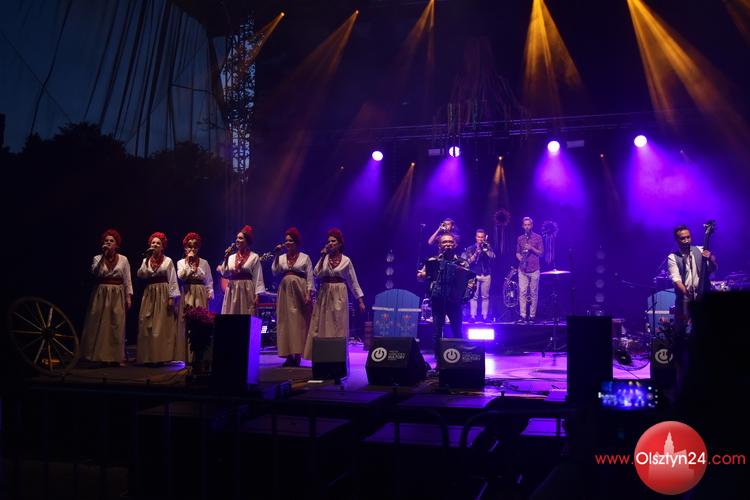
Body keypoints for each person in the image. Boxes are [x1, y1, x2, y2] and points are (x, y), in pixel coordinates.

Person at [303, 228, 365, 360]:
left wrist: (360, 300)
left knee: (338, 324)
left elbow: (353, 281)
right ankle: (322, 356)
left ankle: (336, 356)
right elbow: (316, 273)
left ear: (340, 243)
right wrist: (322, 256)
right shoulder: (324, 258)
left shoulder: (346, 260)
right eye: (329, 241)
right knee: (322, 323)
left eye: (333, 241)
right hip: (324, 293)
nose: (330, 243)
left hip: (339, 293)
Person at [418, 233, 476, 360]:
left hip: (455, 301)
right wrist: (422, 275)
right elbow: (421, 276)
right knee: (437, 331)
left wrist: (468, 290)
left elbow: (470, 279)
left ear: (455, 244)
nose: (448, 244)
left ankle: (458, 357)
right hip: (438, 300)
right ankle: (439, 358)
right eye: (444, 242)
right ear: (439, 245)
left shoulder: (462, 262)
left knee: (457, 330)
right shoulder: (433, 261)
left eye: (450, 242)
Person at [80, 229, 133, 366]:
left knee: (116, 324)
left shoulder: (123, 259)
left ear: (117, 245)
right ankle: (96, 355)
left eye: (111, 241)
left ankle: (114, 357)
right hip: (101, 293)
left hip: (117, 293)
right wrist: (104, 256)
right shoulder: (97, 258)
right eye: (106, 241)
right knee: (98, 322)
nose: (108, 243)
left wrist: (128, 296)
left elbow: (127, 279)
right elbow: (95, 272)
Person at [136, 232, 181, 365]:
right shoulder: (146, 260)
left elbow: (172, 279)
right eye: (153, 243)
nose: (155, 245)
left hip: (163, 293)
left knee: (161, 325)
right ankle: (147, 357)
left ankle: (160, 357)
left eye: (158, 243)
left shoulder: (168, 261)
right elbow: (141, 275)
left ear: (162, 247)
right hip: (150, 293)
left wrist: (172, 297)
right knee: (147, 324)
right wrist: (146, 260)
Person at [272, 227, 314, 367]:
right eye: (286, 240)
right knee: (285, 321)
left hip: (299, 290)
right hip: (285, 291)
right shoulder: (282, 258)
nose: (287, 243)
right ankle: (288, 355)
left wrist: (309, 293)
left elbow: (309, 277)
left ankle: (297, 354)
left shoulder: (304, 257)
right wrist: (277, 255)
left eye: (290, 240)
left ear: (296, 242)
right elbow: (275, 271)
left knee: (298, 322)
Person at [667, 224, 717, 334]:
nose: (686, 240)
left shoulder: (700, 250)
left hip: (704, 297)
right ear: (677, 240)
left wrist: (711, 259)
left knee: (706, 329)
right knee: (682, 332)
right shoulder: (673, 257)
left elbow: (713, 269)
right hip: (684, 300)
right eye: (682, 238)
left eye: (688, 237)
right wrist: (688, 295)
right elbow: (676, 280)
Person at [176, 232, 214, 363]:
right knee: (187, 320)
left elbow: (208, 279)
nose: (192, 249)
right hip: (187, 291)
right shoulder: (181, 262)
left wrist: (209, 291)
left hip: (200, 292)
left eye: (194, 247)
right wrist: (189, 266)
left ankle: (200, 356)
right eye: (189, 246)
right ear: (185, 248)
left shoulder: (204, 262)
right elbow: (181, 276)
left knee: (200, 320)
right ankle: (187, 356)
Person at [217, 225, 266, 315]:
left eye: (240, 238)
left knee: (246, 313)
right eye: (237, 238)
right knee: (232, 313)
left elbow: (257, 277)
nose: (237, 240)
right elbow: (225, 273)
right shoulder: (231, 257)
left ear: (247, 241)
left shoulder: (254, 256)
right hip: (232, 289)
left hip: (247, 289)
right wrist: (226, 258)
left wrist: (257, 294)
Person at [462, 228, 496, 322]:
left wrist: (486, 250)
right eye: (478, 237)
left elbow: (493, 257)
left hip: (486, 274)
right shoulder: (470, 248)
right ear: (476, 237)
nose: (480, 239)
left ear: (484, 238)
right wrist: (476, 253)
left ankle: (485, 316)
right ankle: (473, 316)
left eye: (482, 237)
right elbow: (468, 262)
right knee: (473, 296)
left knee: (485, 297)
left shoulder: (487, 246)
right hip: (474, 274)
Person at [516, 217, 543, 324]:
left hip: (534, 269)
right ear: (523, 226)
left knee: (533, 293)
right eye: (525, 225)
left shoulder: (538, 237)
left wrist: (531, 248)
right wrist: (519, 257)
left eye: (529, 225)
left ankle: (532, 316)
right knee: (522, 292)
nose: (527, 226)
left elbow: (541, 253)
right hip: (522, 269)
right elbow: (517, 252)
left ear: (532, 226)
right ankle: (523, 316)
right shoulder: (520, 238)